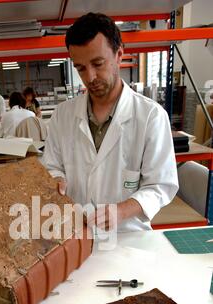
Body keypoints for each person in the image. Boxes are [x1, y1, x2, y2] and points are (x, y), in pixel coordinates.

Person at [42, 13, 179, 232]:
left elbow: (161, 185)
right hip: (76, 233)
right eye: (80, 68)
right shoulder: (62, 115)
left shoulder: (151, 116)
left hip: (127, 235)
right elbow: (51, 166)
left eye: (98, 63)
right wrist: (57, 179)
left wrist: (122, 210)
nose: (90, 77)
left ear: (119, 55)